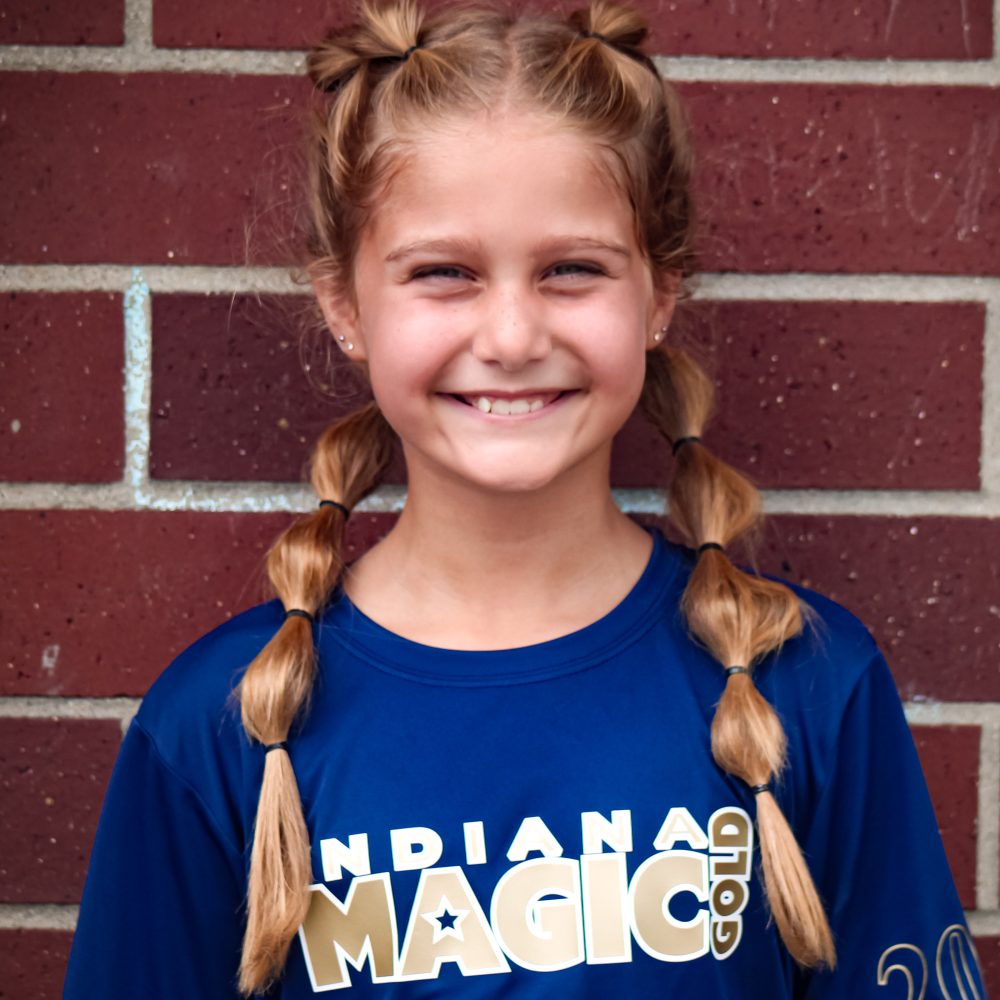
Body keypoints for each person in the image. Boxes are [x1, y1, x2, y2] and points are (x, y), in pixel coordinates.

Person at [62, 0, 986, 996]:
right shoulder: (222, 724)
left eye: (571, 270)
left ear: (658, 295)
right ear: (344, 304)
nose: (510, 337)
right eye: (444, 273)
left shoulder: (803, 685)